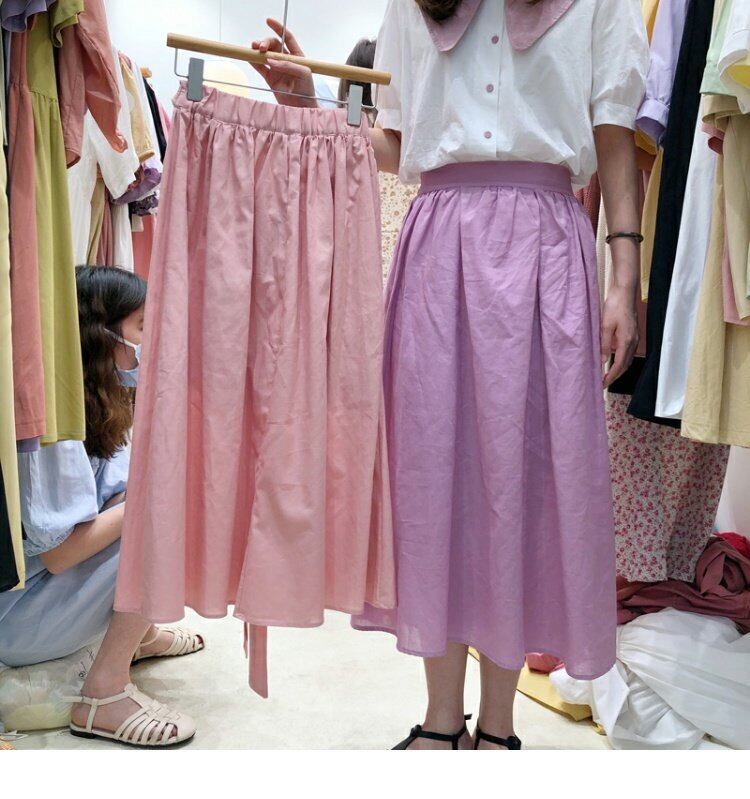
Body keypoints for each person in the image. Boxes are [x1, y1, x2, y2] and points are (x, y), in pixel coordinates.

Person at [253, 0, 648, 750]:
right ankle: (441, 720)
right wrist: (314, 105)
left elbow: (615, 140)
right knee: (431, 478)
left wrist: (624, 279)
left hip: (544, 247)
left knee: (524, 481)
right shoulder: (414, 6)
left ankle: (497, 727)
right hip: (439, 245)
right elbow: (399, 143)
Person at [0, 266, 202, 747]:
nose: (149, 342)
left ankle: (138, 637)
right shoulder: (52, 425)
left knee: (162, 496)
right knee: (168, 516)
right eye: (141, 327)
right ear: (100, 333)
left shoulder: (97, 401)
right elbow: (59, 554)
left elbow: (113, 493)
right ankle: (105, 695)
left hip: (41, 597)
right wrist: (151, 501)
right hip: (18, 620)